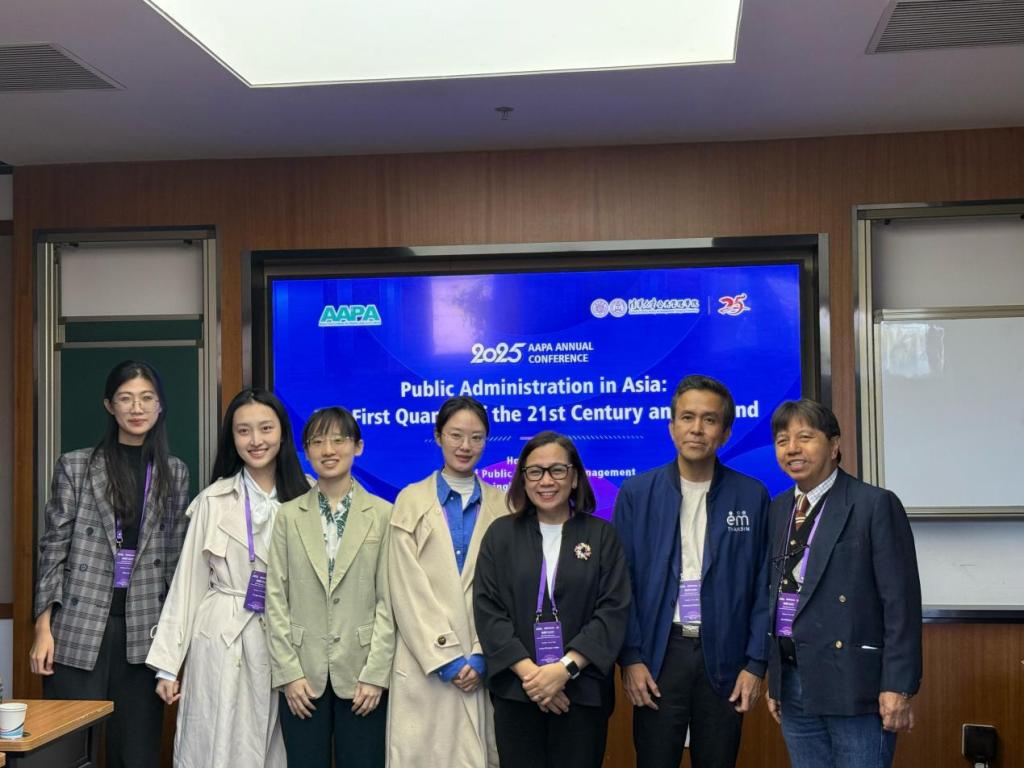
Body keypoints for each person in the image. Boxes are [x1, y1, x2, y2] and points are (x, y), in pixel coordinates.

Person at [30, 360, 190, 768]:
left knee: (136, 754)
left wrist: (175, 649)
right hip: (78, 628)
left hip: (144, 632)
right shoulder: (76, 466)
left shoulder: (174, 473)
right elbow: (53, 549)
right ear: (109, 405)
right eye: (126, 398)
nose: (137, 408)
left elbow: (176, 563)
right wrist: (43, 628)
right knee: (66, 752)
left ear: (160, 406)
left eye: (147, 398)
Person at [612, 374, 771, 768]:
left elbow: (763, 587)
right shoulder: (637, 493)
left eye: (709, 419)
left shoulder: (752, 495)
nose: (697, 429)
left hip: (726, 656)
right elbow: (620, 584)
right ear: (672, 427)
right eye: (687, 417)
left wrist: (755, 664)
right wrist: (630, 658)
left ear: (725, 432)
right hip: (659, 654)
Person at [146, 388, 309, 767]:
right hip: (221, 632)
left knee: (274, 746)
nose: (256, 440)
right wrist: (169, 665)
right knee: (214, 739)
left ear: (283, 433)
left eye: (266, 428)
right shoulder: (213, 499)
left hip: (286, 636)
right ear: (231, 438)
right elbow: (187, 585)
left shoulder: (308, 495)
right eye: (243, 431)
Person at [765, 399, 922, 768]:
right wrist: (775, 678)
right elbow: (775, 595)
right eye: (783, 441)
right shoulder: (778, 509)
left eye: (805, 437)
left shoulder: (873, 504)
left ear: (834, 445)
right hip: (795, 682)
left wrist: (898, 686)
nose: (792, 449)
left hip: (855, 683)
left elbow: (900, 604)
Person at [474, 431, 631, 768]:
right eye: (535, 471)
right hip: (518, 692)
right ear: (523, 479)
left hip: (582, 694)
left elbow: (612, 610)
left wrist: (564, 670)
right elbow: (489, 611)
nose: (546, 481)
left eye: (557, 470)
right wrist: (533, 677)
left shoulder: (601, 536)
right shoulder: (500, 535)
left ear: (574, 478)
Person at [266, 406, 395, 768]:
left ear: (358, 447)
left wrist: (376, 675)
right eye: (318, 441)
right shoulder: (288, 515)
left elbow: (389, 601)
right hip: (302, 675)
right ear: (306, 451)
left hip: (362, 673)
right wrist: (288, 674)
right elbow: (275, 597)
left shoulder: (383, 514)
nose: (328, 450)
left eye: (339, 440)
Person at [387, 396, 506, 768]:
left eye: (476, 437)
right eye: (456, 435)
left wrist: (482, 654)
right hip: (424, 664)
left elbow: (507, 592)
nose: (465, 446)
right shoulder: (410, 500)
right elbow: (405, 589)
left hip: (481, 664)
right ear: (438, 436)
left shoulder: (504, 505)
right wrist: (448, 659)